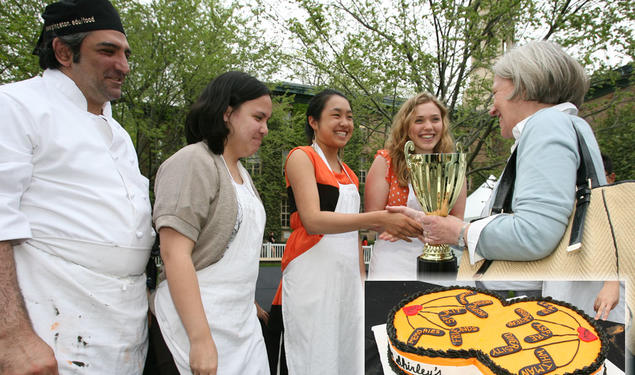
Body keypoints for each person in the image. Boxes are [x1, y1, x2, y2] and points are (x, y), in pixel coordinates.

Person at [0, 1, 154, 374]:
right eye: (107, 50)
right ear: (63, 51)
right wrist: (11, 337)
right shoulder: (16, 105)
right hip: (49, 333)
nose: (124, 66)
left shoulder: (117, 132)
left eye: (125, 53)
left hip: (123, 331)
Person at [389, 41, 607, 268]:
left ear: (522, 88)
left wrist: (458, 231)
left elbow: (534, 234)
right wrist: (436, 226)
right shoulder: (569, 125)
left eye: (495, 94)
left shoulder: (547, 125)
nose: (492, 109)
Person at [268, 89, 422, 375]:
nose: (345, 123)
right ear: (313, 121)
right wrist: (378, 217)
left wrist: (362, 281)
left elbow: (353, 239)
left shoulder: (350, 173)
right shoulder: (301, 158)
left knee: (341, 355)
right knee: (308, 353)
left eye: (350, 117)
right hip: (310, 279)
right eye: (336, 115)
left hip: (345, 282)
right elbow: (312, 220)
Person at [149, 71, 271, 375]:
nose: (265, 129)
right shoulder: (193, 161)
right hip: (192, 327)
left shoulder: (242, 173)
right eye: (258, 117)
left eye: (267, 120)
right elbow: (175, 254)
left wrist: (247, 300)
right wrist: (200, 339)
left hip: (239, 327)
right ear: (227, 113)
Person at [365, 92, 467, 280]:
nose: (428, 127)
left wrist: (406, 226)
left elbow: (458, 221)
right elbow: (372, 220)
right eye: (419, 120)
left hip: (440, 263)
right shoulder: (386, 162)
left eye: (435, 119)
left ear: (443, 124)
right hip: (393, 264)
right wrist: (430, 228)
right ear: (406, 125)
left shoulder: (453, 165)